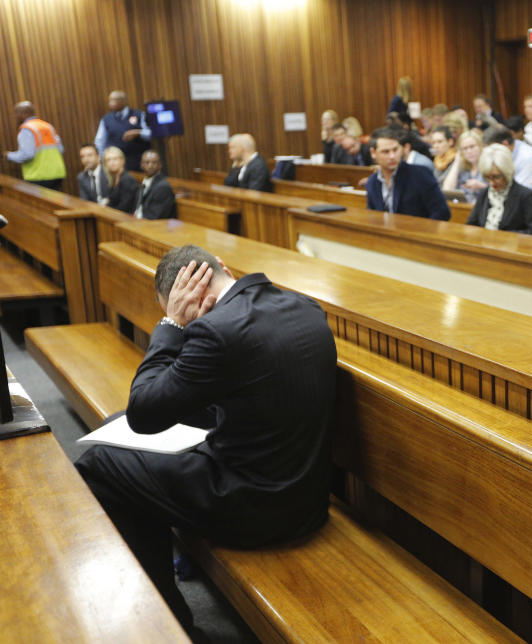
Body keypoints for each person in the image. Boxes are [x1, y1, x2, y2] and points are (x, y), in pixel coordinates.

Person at [75, 244, 337, 634]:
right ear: (223, 268)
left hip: (255, 508)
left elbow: (143, 414)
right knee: (117, 428)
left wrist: (171, 325)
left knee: (97, 463)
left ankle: (170, 622)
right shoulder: (302, 304)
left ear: (190, 299)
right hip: (309, 497)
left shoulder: (216, 330)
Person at [366, 127, 450, 220]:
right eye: (385, 152)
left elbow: (442, 212)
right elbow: (373, 216)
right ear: (373, 153)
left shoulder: (420, 175)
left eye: (395, 150)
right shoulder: (372, 182)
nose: (392, 156)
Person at [466, 144, 532, 232]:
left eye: (496, 177)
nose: (492, 183)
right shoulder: (484, 194)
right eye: (487, 177)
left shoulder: (525, 196)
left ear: (507, 172)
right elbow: (471, 225)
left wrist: (503, 238)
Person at [5, 101, 66, 189]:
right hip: (57, 174)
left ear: (25, 113)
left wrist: (8, 155)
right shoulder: (48, 126)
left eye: (17, 113)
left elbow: (27, 154)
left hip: (38, 176)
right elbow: (60, 149)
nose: (15, 116)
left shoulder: (27, 129)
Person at [95, 90, 151, 171]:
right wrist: (101, 158)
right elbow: (99, 141)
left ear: (123, 101)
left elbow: (151, 134)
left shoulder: (139, 114)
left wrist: (138, 132)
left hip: (138, 161)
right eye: (109, 100)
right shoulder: (106, 119)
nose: (110, 103)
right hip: (116, 163)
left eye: (113, 100)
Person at [483, 123, 532, 191]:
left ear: (505, 144)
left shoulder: (527, 157)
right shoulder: (506, 154)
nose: (491, 153)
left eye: (494, 149)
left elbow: (524, 191)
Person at [442, 130, 486, 203]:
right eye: (465, 149)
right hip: (464, 209)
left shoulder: (489, 166)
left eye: (472, 147)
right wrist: (457, 161)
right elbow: (447, 190)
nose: (469, 151)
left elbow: (499, 192)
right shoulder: (461, 168)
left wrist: (481, 186)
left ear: (480, 146)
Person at [134, 150, 176, 220]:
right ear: (141, 165)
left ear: (160, 165)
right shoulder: (145, 182)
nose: (150, 166)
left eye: (154, 163)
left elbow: (155, 217)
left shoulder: (163, 188)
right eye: (147, 162)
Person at [103, 146, 138, 213]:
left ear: (122, 160)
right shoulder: (113, 179)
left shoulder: (127, 180)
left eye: (115, 159)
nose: (112, 162)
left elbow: (125, 207)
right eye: (108, 160)